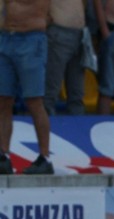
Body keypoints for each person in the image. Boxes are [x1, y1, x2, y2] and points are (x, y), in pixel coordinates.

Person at [0, 0, 55, 175]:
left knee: (34, 101)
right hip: (6, 36)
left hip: (31, 38)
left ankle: (44, 157)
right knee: (3, 99)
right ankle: (3, 155)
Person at [44, 0, 89, 116]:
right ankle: (46, 130)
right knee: (51, 90)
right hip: (58, 32)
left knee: (77, 93)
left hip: (80, 35)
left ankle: (78, 130)